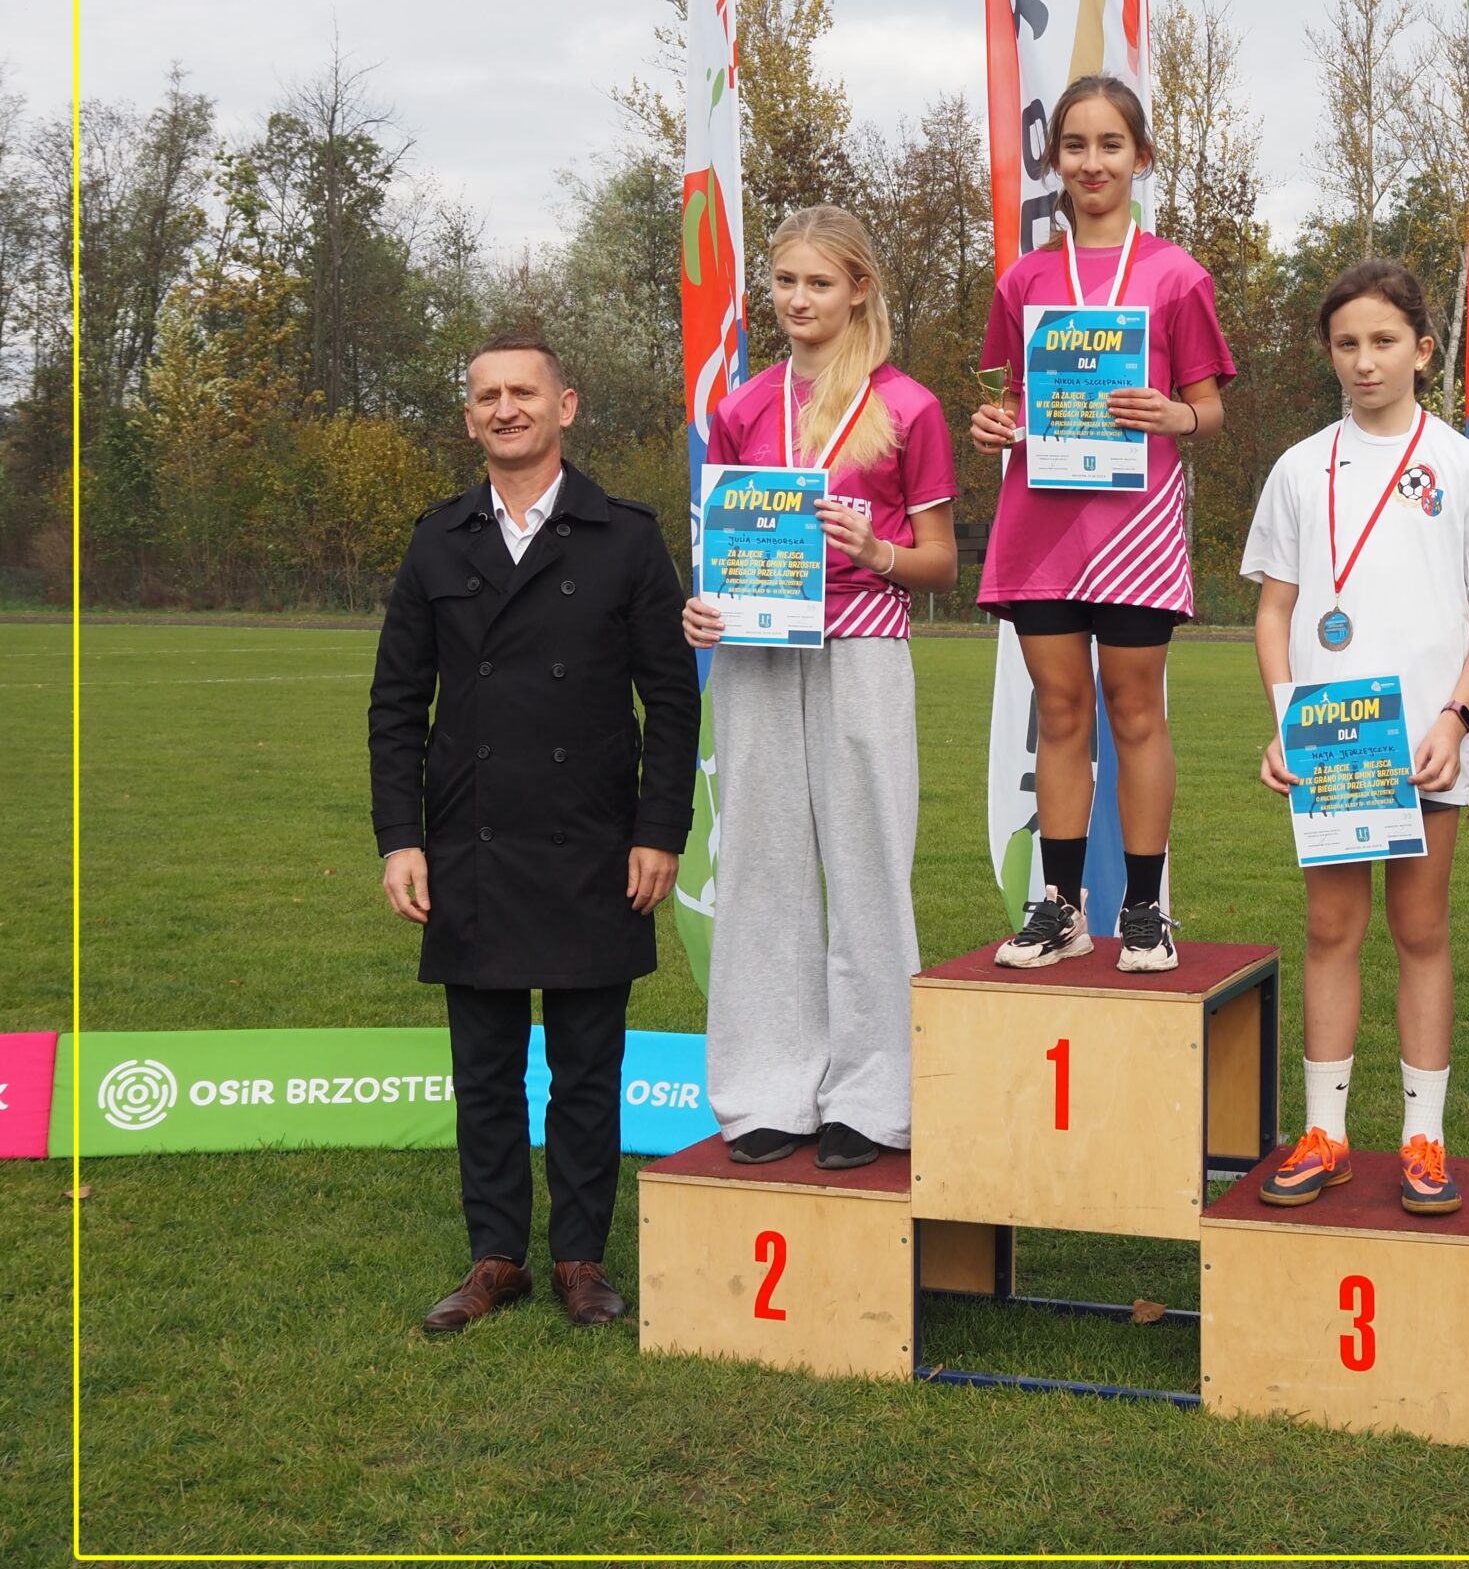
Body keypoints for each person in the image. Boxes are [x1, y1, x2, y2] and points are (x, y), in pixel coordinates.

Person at [369, 331, 697, 1336]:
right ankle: (496, 1257)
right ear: (470, 417)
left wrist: (659, 830)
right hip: (470, 843)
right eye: (487, 396)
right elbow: (396, 704)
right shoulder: (438, 539)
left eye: (523, 391)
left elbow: (671, 699)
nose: (505, 408)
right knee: (486, 1069)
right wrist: (400, 837)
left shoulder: (626, 537)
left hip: (594, 841)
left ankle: (580, 1258)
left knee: (589, 1068)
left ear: (566, 406)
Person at [1241, 261, 1469, 1215]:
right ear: (1329, 353)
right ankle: (1324, 1133)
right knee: (1331, 930)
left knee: (1420, 930)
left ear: (1423, 350)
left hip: (1423, 742)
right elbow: (1274, 611)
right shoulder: (1299, 467)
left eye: (1383, 341)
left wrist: (1457, 716)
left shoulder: (1463, 466)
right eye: (1346, 344)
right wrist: (1285, 721)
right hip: (1333, 740)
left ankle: (1422, 1140)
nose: (1364, 361)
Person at [683, 206, 958, 1168]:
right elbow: (723, 547)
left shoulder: (908, 406)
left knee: (868, 867)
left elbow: (940, 562)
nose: (798, 300)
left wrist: (878, 551)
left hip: (863, 646)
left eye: (818, 283)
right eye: (785, 282)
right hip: (756, 652)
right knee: (760, 865)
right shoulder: (743, 406)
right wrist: (703, 609)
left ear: (859, 290)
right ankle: (767, 1088)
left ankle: (874, 1097)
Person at [970, 73, 1235, 973]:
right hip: (1042, 527)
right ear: (1055, 161)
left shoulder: (1176, 275)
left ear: (1140, 157)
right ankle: (1061, 908)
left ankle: (1147, 909)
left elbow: (1209, 409)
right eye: (1076, 146)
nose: (1092, 162)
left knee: (1135, 710)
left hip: (1136, 530)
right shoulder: (1024, 279)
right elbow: (1011, 399)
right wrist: (995, 424)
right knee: (1059, 711)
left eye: (1110, 145)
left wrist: (1176, 415)